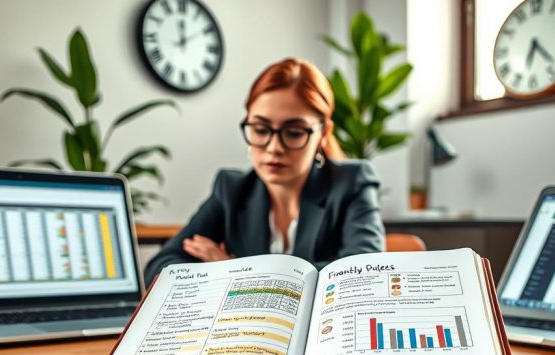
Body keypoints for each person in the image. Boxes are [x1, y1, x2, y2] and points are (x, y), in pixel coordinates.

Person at [143, 58, 385, 286]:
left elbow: (363, 273)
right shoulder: (232, 189)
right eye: (260, 129)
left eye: (294, 133)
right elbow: (161, 267)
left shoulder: (352, 182)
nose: (274, 148)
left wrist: (235, 272)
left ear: (322, 133)